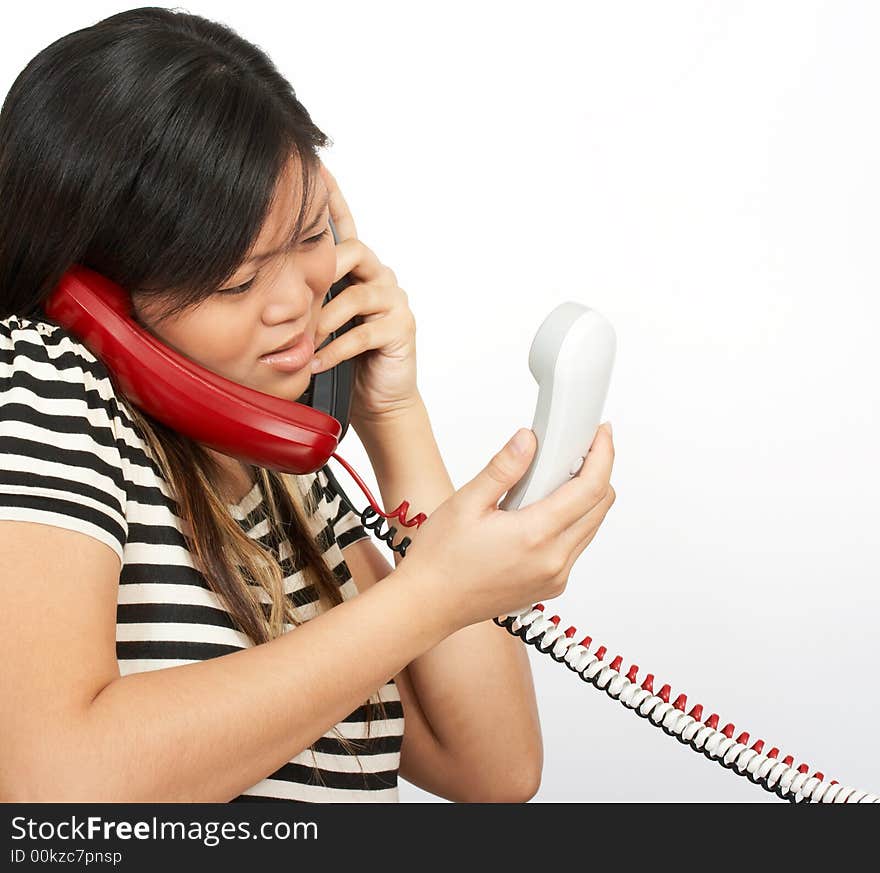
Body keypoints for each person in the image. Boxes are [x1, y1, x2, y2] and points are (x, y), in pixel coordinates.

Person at [0, 7, 616, 803]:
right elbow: (54, 785)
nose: (297, 299)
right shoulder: (41, 378)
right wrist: (430, 594)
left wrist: (390, 415)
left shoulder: (283, 475)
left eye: (309, 233)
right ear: (95, 295)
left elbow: (491, 766)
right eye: (236, 281)